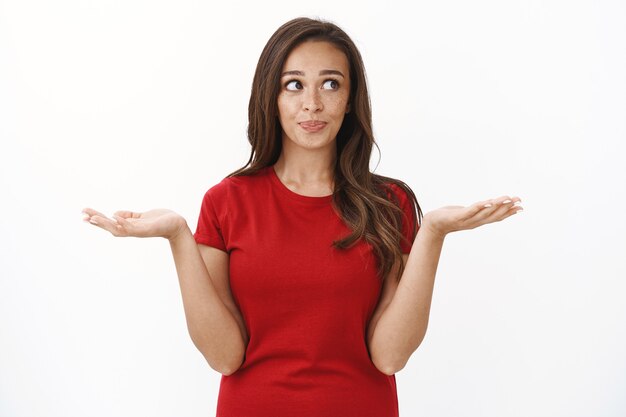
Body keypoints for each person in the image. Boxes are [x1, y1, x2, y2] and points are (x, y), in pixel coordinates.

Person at [82, 17, 523, 417]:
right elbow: (224, 357)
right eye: (294, 85)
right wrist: (178, 236)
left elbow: (389, 356)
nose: (312, 103)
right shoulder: (226, 201)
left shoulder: (389, 204)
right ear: (271, 96)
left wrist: (434, 234)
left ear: (350, 100)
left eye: (331, 84)